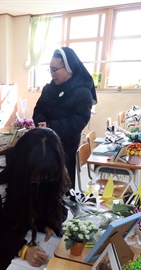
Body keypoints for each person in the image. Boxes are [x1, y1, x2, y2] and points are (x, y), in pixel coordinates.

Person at [0, 128, 70, 270]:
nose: (39, 180)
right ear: (21, 165)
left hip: (36, 238)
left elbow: (57, 202)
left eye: (43, 177)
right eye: (34, 176)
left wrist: (51, 224)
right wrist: (22, 249)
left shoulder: (49, 172)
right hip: (2, 245)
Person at [33, 47, 97, 188]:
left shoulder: (83, 92)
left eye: (55, 69)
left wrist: (49, 127)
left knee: (63, 189)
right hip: (45, 147)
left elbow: (78, 122)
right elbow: (38, 109)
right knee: (41, 187)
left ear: (69, 68)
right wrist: (41, 122)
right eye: (50, 69)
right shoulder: (48, 88)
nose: (52, 74)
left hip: (65, 150)